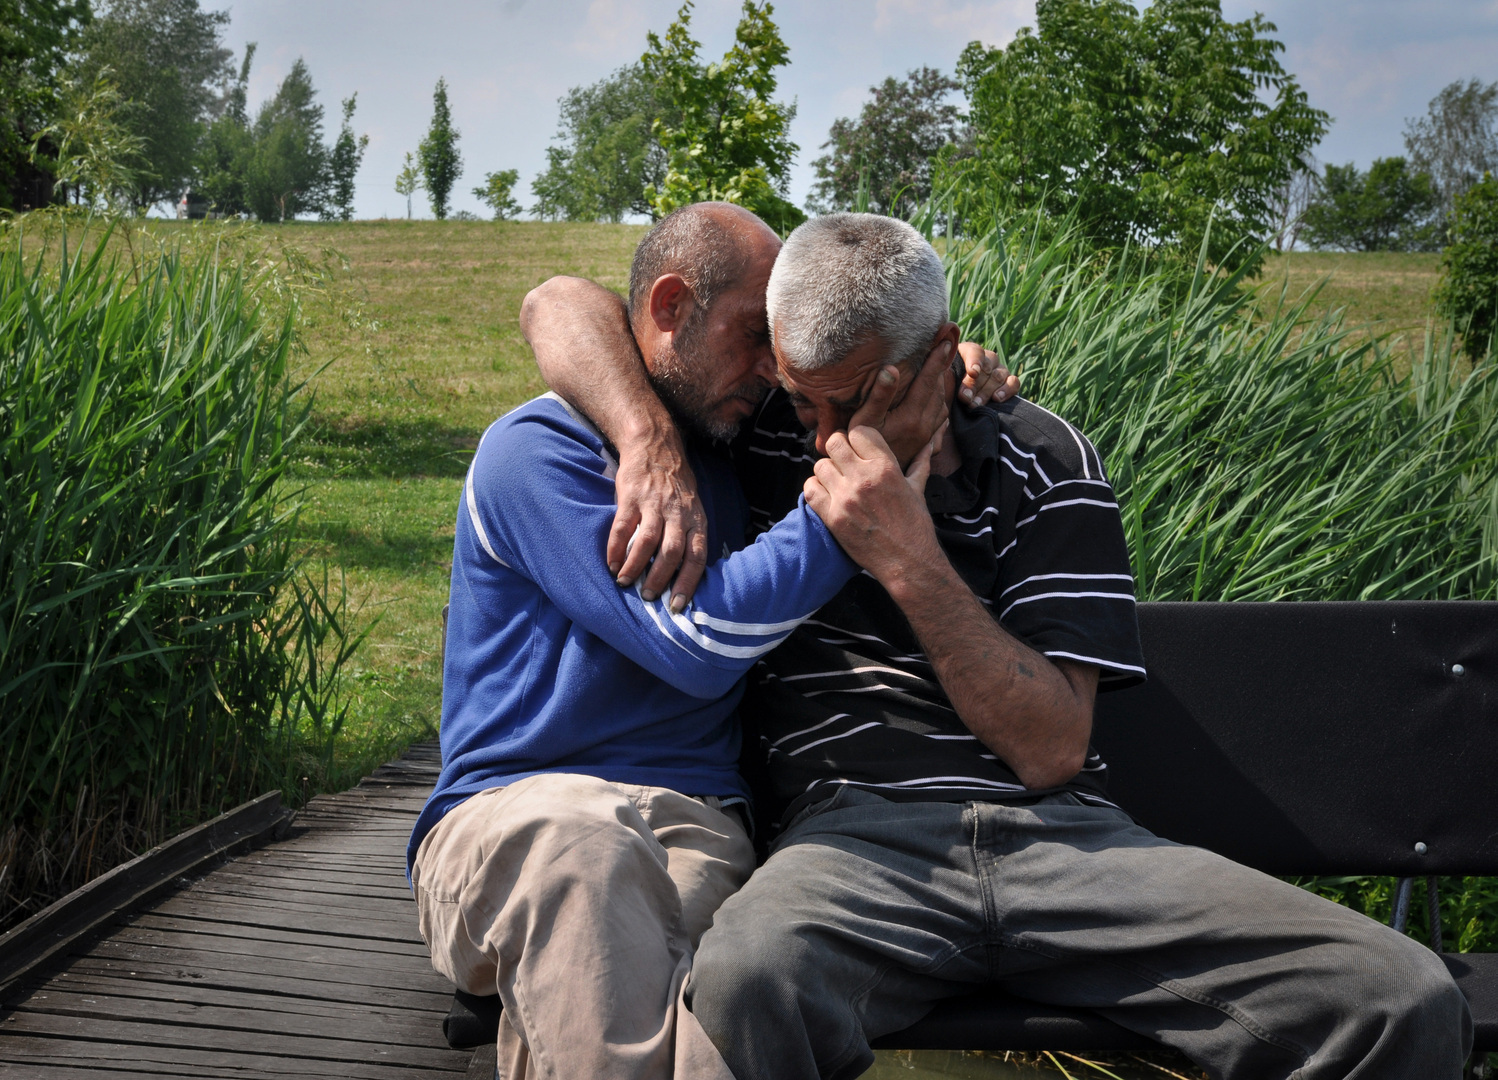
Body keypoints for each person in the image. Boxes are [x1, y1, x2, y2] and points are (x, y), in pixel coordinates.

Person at [525, 212, 1473, 1080]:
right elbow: (560, 303)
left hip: (1068, 847)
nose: (817, 440)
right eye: (799, 399)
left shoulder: (1045, 459)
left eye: (848, 403)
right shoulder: (761, 432)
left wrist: (907, 556)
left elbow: (1054, 747)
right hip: (849, 845)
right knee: (745, 981)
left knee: (1404, 1000)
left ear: (936, 358)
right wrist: (646, 430)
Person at [409, 203, 985, 1080]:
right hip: (517, 818)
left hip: (696, 831)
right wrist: (855, 496)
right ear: (671, 308)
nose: (772, 369)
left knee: (709, 1006)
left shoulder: (733, 443)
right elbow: (696, 643)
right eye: (756, 335)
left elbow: (860, 374)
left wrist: (947, 376)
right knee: (586, 847)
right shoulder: (534, 454)